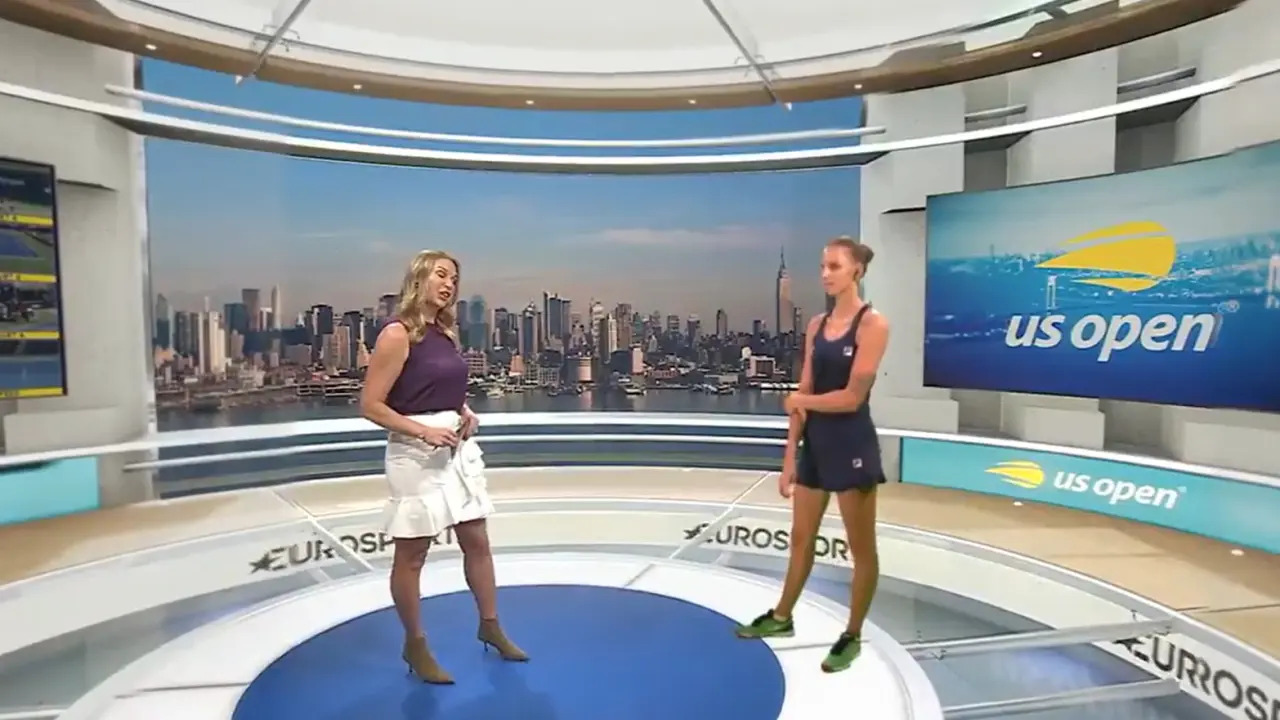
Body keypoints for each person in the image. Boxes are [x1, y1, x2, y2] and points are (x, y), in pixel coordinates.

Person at [360, 249, 527, 685]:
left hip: (454, 449)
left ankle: (490, 625)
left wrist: (464, 411)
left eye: (454, 278)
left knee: (478, 541)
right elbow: (371, 404)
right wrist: (422, 431)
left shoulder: (446, 334)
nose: (449, 284)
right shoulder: (397, 334)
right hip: (415, 455)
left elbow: (440, 388)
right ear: (419, 279)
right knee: (413, 555)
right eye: (441, 275)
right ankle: (415, 645)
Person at [735, 236, 889, 674]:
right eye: (823, 266)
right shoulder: (816, 326)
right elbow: (803, 390)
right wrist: (789, 458)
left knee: (862, 548)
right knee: (801, 538)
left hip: (852, 444)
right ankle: (782, 616)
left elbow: (852, 397)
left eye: (834, 266)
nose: (825, 274)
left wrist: (801, 402)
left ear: (857, 271)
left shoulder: (873, 324)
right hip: (815, 446)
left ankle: (852, 635)